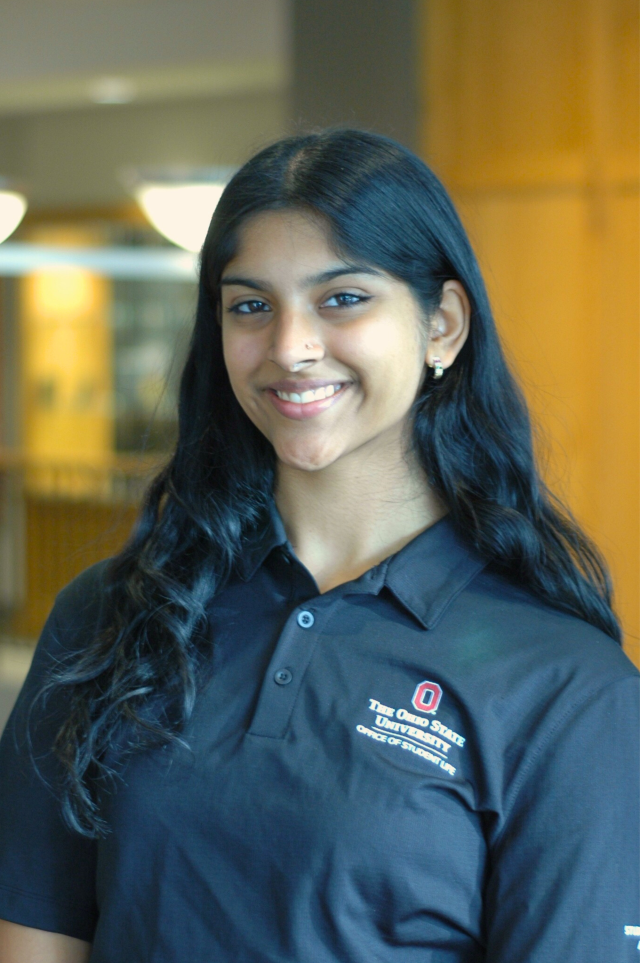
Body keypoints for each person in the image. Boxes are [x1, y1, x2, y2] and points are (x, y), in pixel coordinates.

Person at [0, 128, 638, 963]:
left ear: (443, 325)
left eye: (342, 298)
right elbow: (36, 935)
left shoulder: (565, 685)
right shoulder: (109, 617)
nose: (290, 347)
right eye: (250, 306)